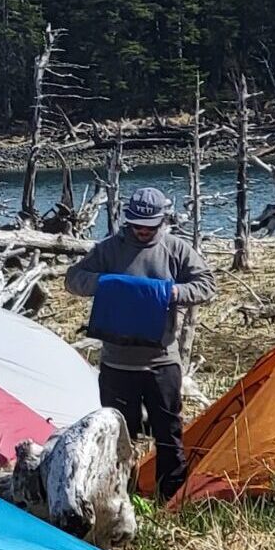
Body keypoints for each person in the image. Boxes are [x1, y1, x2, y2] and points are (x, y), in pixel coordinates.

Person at [64, 187, 215, 499]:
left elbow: (206, 285)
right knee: (118, 437)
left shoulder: (176, 249)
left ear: (162, 222)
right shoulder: (109, 249)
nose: (142, 231)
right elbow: (73, 279)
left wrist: (174, 293)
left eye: (149, 226)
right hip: (117, 364)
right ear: (127, 222)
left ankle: (171, 498)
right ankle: (119, 497)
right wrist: (107, 285)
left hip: (162, 363)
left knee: (169, 435)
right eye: (136, 225)